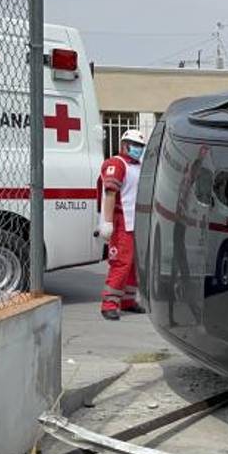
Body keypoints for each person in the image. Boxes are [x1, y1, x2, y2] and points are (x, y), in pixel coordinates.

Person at [98, 129, 147, 320]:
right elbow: (110, 193)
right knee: (121, 263)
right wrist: (108, 222)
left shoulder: (138, 166)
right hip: (120, 220)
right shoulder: (116, 164)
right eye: (135, 146)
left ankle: (127, 300)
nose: (138, 150)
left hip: (135, 221)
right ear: (124, 145)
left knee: (134, 264)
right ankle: (109, 303)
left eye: (140, 147)